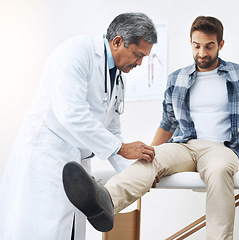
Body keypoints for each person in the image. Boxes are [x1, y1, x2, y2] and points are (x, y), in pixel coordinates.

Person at [62, 16, 239, 239]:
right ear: (191, 44)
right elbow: (168, 124)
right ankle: (105, 200)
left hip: (222, 149)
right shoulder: (178, 78)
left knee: (219, 171)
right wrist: (151, 153)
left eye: (209, 46)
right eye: (196, 46)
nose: (202, 53)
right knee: (149, 157)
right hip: (185, 146)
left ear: (220, 44)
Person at [0, 12, 157, 240]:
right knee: (40, 230)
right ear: (117, 41)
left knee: (69, 231)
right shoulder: (75, 53)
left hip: (76, 162)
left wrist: (136, 171)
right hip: (46, 156)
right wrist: (121, 148)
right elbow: (71, 114)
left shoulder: (116, 77)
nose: (140, 63)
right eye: (138, 54)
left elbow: (112, 131)